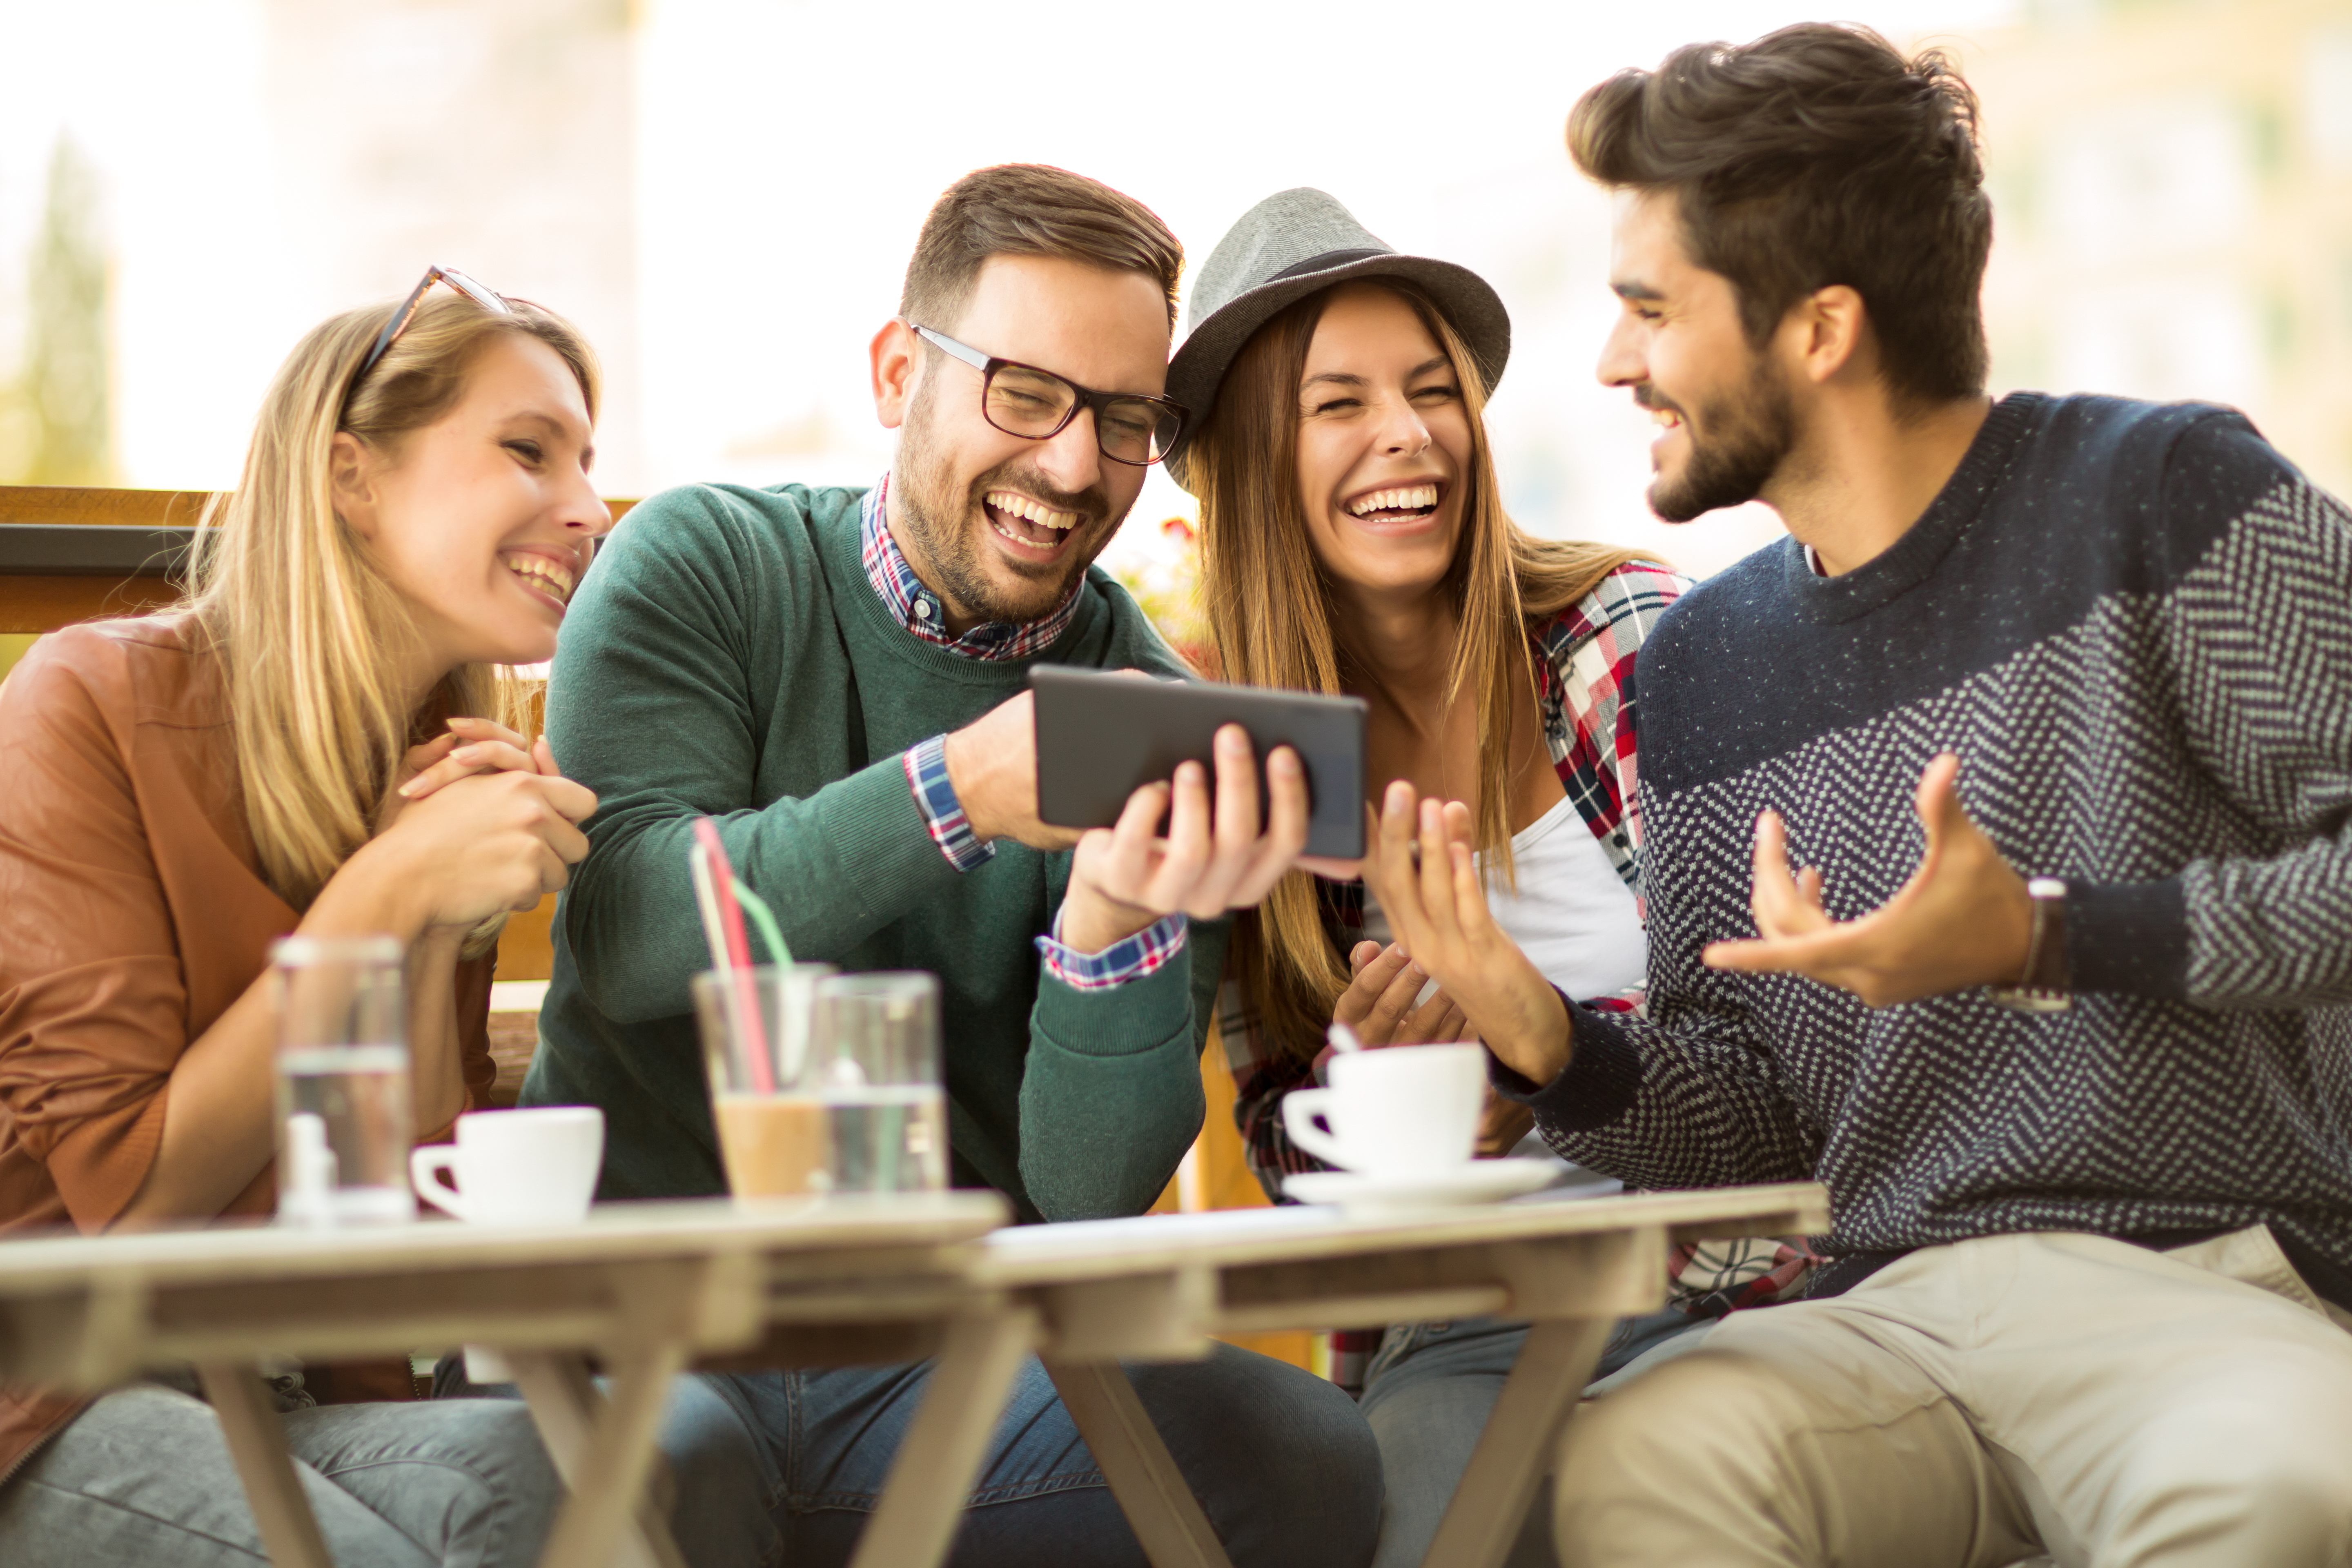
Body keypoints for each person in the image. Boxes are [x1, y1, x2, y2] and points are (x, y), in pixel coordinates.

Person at [1364, 23, 2352, 1568]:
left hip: (2214, 1284)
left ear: (1819, 328)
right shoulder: (1698, 669)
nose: (1615, 363)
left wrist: (2044, 933)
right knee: (1643, 1469)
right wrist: (1542, 1031)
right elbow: (1750, 1112)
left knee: (2269, 1498)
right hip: (1886, 1314)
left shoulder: (2167, 498)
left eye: (1649, 312)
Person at [520, 163, 1382, 1567]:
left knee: (1302, 1456)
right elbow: (625, 939)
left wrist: (1113, 920)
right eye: (1026, 393)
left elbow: (1090, 1199)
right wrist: (966, 788)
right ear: (896, 373)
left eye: (1124, 421)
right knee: (657, 1472)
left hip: (956, 1379)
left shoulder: (1142, 701)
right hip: (633, 1331)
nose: (1071, 465)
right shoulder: (706, 562)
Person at [0, 274, 692, 1564]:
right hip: (48, 1393)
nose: (591, 510)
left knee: (600, 1485)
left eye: (589, 463)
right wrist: (381, 900)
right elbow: (127, 1206)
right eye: (527, 449)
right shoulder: (85, 703)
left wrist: (429, 927)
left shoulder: (434, 780)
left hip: (268, 1396)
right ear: (350, 478)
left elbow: (394, 1259)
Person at [1168, 189, 1804, 1568]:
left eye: (1430, 390)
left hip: (1728, 1280)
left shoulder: (1629, 640)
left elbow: (1782, 1042)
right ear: (1249, 469)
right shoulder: (1246, 750)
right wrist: (1398, 1104)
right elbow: (1284, 1140)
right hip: (1466, 1316)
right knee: (1413, 1508)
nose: (1408, 434)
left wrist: (1534, 1052)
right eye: (1337, 403)